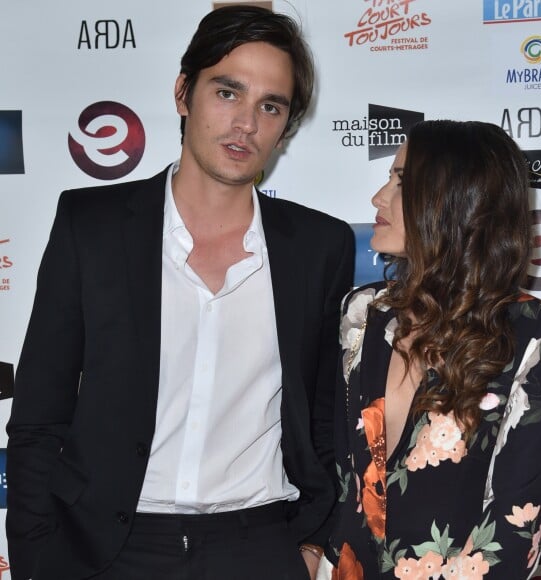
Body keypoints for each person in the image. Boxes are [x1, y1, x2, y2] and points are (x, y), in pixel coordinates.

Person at [6, 6, 354, 580]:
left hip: (258, 545)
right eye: (227, 92)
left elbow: (323, 418)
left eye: (271, 106)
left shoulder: (320, 246)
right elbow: (40, 414)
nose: (246, 123)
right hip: (106, 549)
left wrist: (312, 542)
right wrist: (39, 556)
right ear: (182, 93)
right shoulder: (90, 225)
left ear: (286, 125)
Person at [325, 120, 541, 579]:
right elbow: (344, 481)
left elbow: (515, 529)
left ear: (457, 200)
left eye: (401, 181)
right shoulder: (363, 312)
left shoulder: (537, 335)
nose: (379, 198)